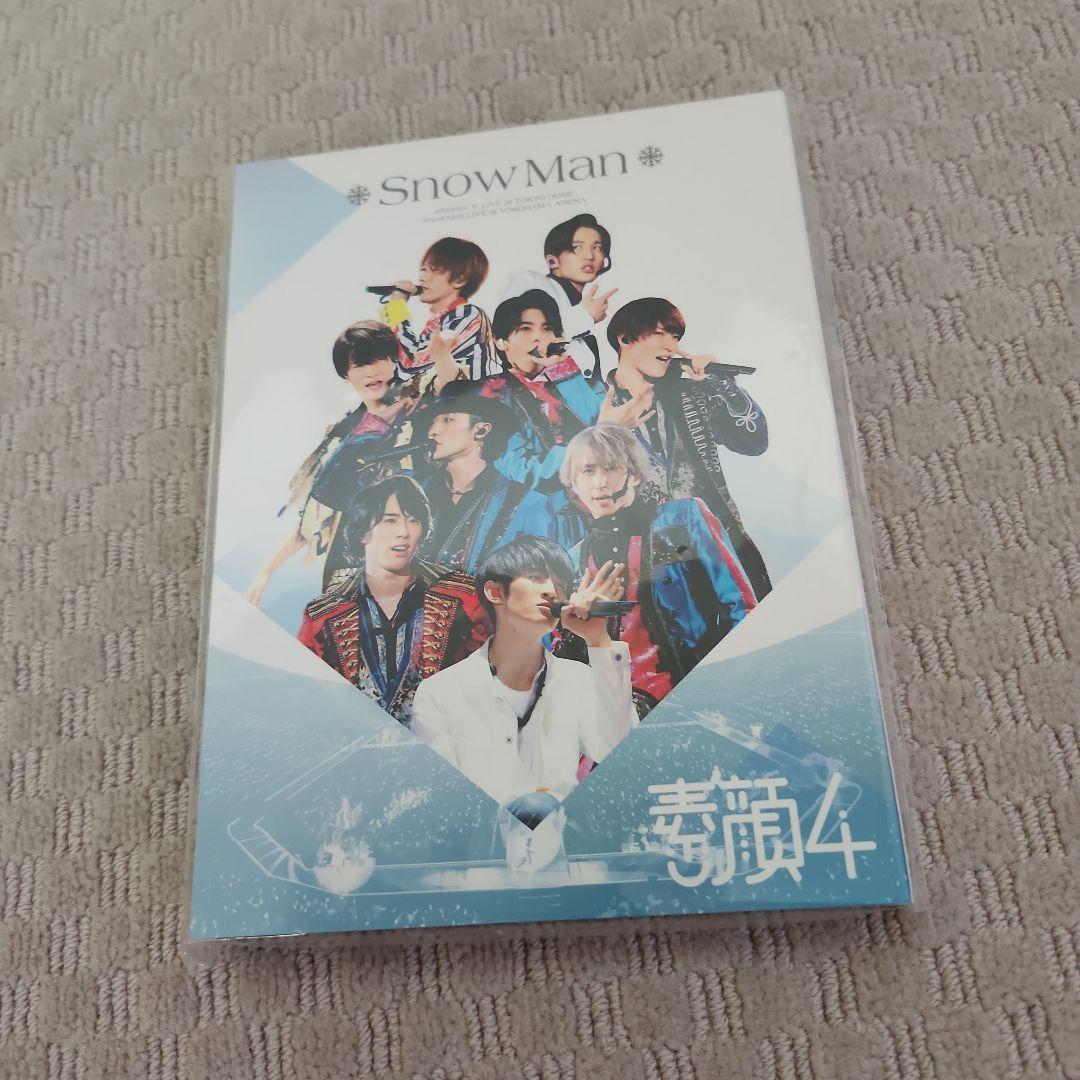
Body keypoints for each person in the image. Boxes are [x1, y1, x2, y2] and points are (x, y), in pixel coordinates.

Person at [411, 536, 637, 806]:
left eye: (561, 585)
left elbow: (620, 751)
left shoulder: (579, 680)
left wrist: (598, 640)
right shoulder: (440, 693)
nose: (552, 591)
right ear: (495, 592)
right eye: (535, 578)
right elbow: (441, 799)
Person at [558, 424, 756, 718]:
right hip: (621, 715)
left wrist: (736, 683)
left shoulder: (683, 517)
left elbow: (740, 603)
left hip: (704, 696)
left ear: (634, 475)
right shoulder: (571, 562)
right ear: (573, 484)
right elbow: (562, 664)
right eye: (587, 471)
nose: (599, 483)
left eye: (611, 468)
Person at [604, 297, 772, 599]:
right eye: (659, 334)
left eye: (675, 336)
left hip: (718, 548)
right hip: (645, 565)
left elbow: (754, 441)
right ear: (625, 339)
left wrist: (721, 382)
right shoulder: (594, 403)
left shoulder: (693, 394)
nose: (670, 345)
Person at [245, 321, 418, 605]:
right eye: (360, 364)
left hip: (409, 558)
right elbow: (318, 513)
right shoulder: (343, 434)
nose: (371, 371)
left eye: (378, 360)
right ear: (345, 375)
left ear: (393, 361)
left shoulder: (416, 409)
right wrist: (267, 571)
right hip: (353, 563)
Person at [297, 476, 489, 726]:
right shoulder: (324, 615)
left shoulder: (461, 596)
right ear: (363, 532)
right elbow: (308, 701)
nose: (404, 532)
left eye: (414, 521)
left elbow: (488, 682)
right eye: (390, 520)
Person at [412, 381, 548, 573]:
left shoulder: (526, 502)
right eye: (433, 421)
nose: (432, 431)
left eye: (448, 420)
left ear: (482, 430)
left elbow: (539, 575)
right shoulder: (415, 489)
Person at [498, 213, 618, 381]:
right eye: (577, 247)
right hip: (529, 393)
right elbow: (519, 341)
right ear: (552, 260)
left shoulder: (579, 302)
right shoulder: (529, 281)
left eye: (597, 247)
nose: (589, 256)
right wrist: (584, 316)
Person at [382, 236, 495, 388]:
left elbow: (410, 365)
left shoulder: (468, 316)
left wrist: (396, 305)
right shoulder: (440, 321)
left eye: (433, 270)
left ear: (460, 280)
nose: (422, 278)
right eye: (423, 269)